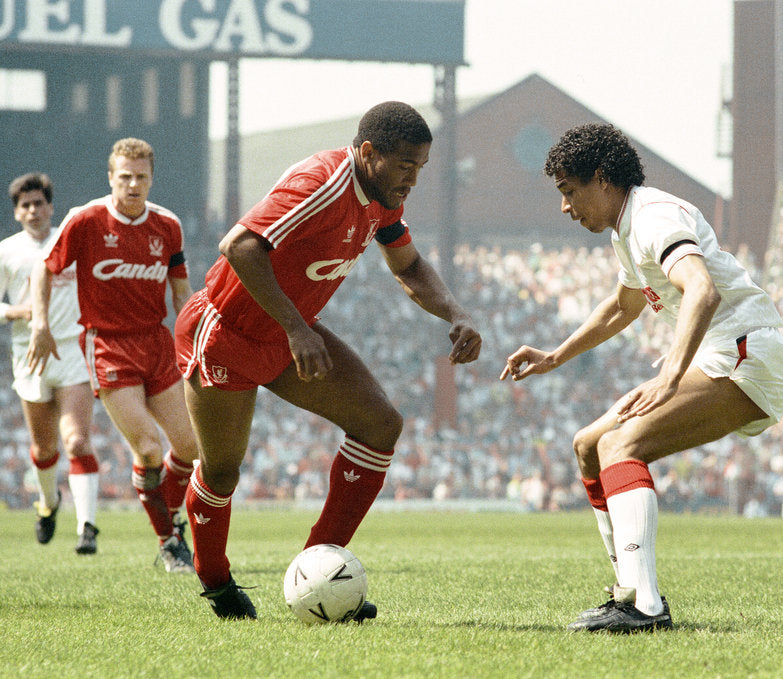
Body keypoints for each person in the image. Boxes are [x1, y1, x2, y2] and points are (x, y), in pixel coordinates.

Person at [175, 101, 482, 620]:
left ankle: (317, 575)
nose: (413, 179)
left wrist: (454, 312)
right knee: (223, 471)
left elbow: (408, 266)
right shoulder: (323, 181)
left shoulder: (382, 199)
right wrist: (297, 327)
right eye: (405, 165)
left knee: (380, 424)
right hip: (226, 331)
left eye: (421, 168)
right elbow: (239, 245)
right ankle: (215, 580)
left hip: (289, 334)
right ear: (368, 153)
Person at [501, 123, 783, 633]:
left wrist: (672, 376)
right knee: (590, 444)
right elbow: (621, 308)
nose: (566, 208)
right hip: (721, 351)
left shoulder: (655, 217)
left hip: (746, 350)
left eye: (570, 192)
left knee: (623, 446)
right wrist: (555, 356)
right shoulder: (627, 227)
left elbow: (702, 291)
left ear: (603, 179)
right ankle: (627, 591)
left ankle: (645, 605)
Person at [27, 138, 200, 572]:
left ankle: (169, 513)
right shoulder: (85, 220)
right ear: (111, 177)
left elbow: (181, 291)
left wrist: (196, 335)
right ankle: (168, 542)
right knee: (147, 447)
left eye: (141, 176)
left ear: (151, 178)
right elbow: (43, 269)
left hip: (157, 343)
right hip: (108, 345)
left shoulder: (168, 225)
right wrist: (40, 324)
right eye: (125, 176)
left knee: (191, 446)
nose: (133, 184)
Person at [2, 173, 100, 554]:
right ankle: (48, 503)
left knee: (76, 441)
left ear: (50, 206)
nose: (33, 210)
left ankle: (87, 527)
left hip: (73, 350)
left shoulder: (71, 240)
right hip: (30, 355)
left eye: (38, 203)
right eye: (25, 205)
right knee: (44, 450)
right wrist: (17, 312)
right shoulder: (7, 252)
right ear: (16, 212)